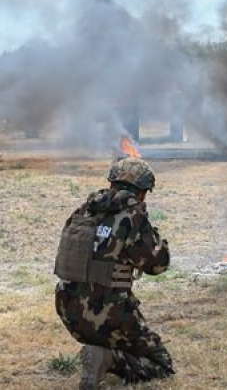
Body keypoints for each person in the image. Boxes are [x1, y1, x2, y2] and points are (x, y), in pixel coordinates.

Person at [54, 157, 174, 389]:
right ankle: (106, 358)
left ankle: (100, 350)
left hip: (69, 310)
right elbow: (158, 265)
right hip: (108, 314)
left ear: (111, 184)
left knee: (116, 333)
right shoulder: (132, 218)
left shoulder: (83, 210)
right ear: (142, 193)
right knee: (161, 364)